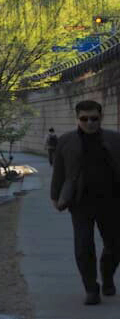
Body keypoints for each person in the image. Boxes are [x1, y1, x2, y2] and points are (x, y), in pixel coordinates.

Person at [50, 99, 120, 305]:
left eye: (94, 118)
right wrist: (55, 196)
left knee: (115, 245)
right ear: (77, 118)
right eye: (84, 119)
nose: (90, 123)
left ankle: (107, 277)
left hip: (112, 201)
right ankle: (91, 288)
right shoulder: (66, 141)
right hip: (80, 202)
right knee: (83, 247)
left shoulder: (115, 139)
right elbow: (59, 172)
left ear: (101, 117)